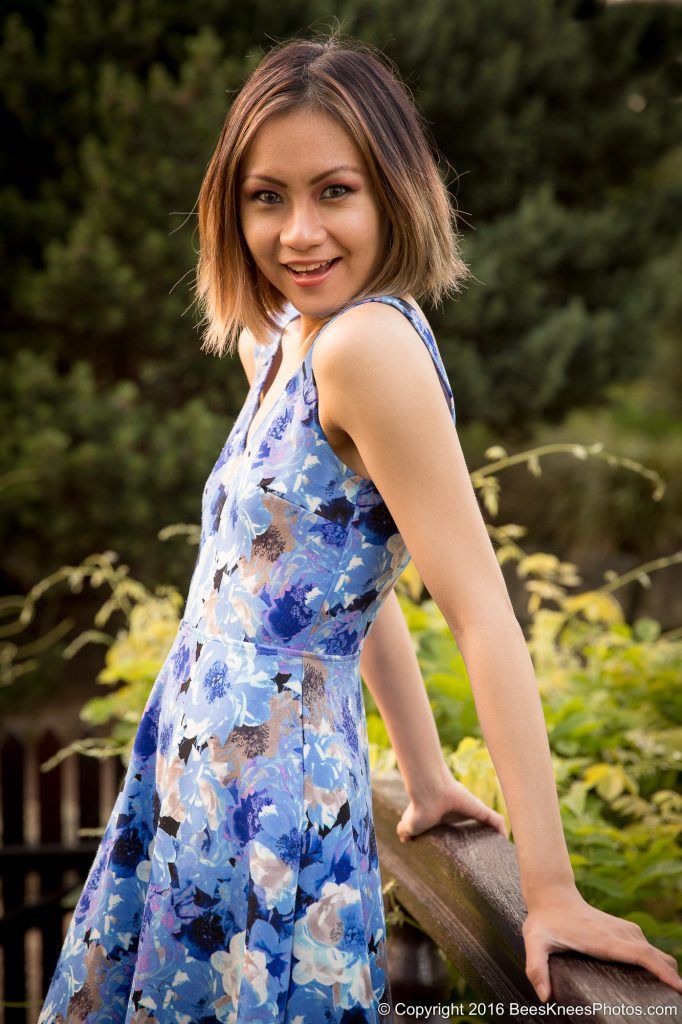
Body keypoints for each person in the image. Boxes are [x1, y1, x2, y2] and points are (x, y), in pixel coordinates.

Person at [39, 30, 682, 1024]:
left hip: (276, 816)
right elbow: (334, 578)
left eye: (334, 191)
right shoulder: (292, 338)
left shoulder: (369, 347)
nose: (299, 231)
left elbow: (480, 615)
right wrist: (424, 776)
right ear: (230, 206)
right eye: (267, 196)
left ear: (392, 190)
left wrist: (548, 891)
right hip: (197, 792)